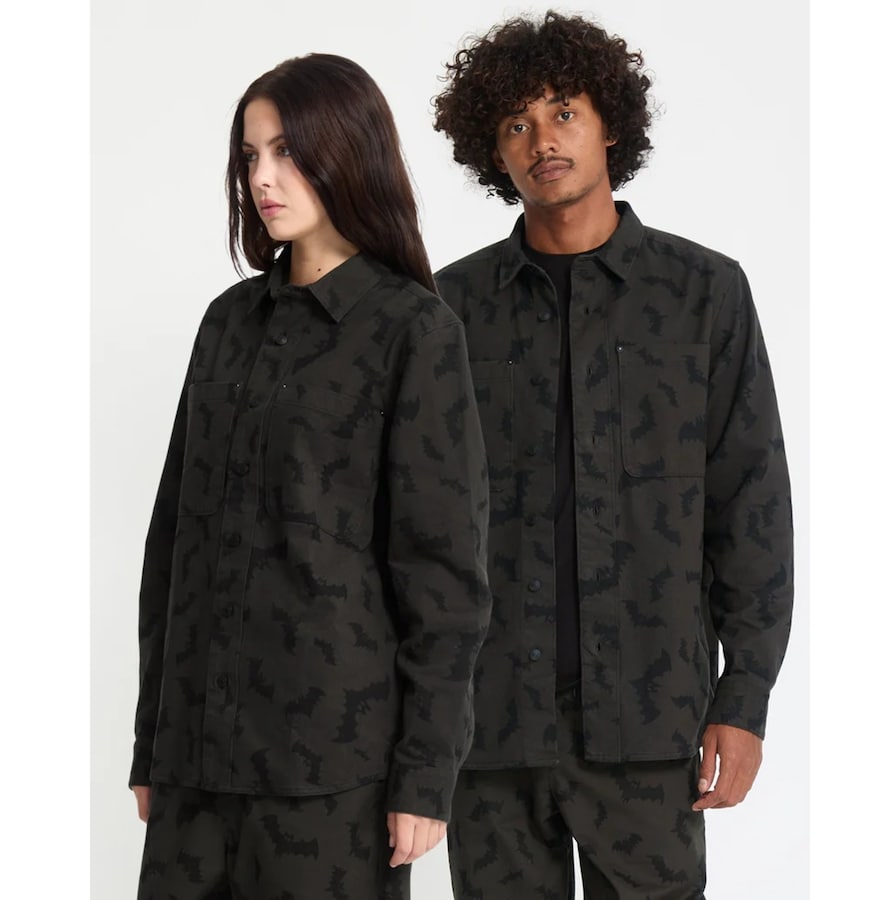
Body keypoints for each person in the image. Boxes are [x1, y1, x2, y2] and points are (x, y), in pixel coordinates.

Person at [431, 10, 793, 899]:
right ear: (492, 151)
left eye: (563, 112)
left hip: (649, 724)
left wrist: (744, 698)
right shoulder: (449, 309)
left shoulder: (704, 293)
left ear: (611, 126)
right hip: (489, 730)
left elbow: (751, 503)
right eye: (515, 124)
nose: (542, 141)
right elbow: (414, 526)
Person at [129, 53, 491, 900]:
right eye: (250, 156)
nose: (262, 177)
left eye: (287, 152)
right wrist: (153, 743)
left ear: (347, 152)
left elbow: (444, 575)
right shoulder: (227, 323)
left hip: (332, 774)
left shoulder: (414, 332)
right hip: (196, 764)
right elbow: (172, 544)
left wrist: (425, 775)